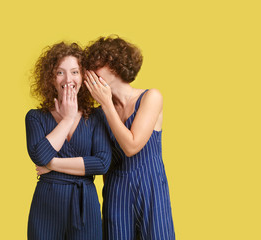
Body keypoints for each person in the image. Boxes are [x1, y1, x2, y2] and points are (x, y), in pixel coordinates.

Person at [84, 36, 175, 240]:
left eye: (97, 64)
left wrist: (106, 104)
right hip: (116, 192)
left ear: (115, 65)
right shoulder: (99, 114)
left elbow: (132, 146)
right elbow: (101, 160)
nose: (90, 72)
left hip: (151, 189)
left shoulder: (151, 97)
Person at [25, 42, 111, 240]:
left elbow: (101, 163)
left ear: (83, 77)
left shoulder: (97, 117)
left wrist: (52, 164)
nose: (68, 79)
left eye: (74, 72)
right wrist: (68, 119)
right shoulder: (35, 117)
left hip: (85, 205)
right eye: (60, 72)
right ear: (51, 79)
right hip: (47, 205)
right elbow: (40, 155)